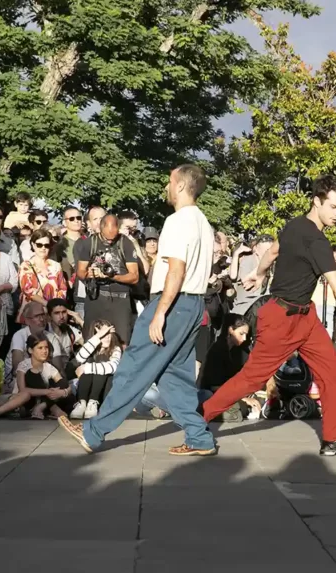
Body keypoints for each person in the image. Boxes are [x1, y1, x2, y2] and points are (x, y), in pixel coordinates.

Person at [201, 175, 336, 456]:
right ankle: (200, 418)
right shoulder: (316, 240)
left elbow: (272, 251)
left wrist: (259, 274)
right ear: (316, 201)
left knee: (335, 375)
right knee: (253, 380)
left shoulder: (293, 225)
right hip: (280, 319)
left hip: (306, 318)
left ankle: (334, 441)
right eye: (333, 207)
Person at [58, 164, 218, 456]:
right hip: (193, 304)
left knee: (133, 366)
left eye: (170, 182)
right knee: (174, 376)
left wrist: (160, 313)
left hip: (173, 302)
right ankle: (199, 437)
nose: (167, 187)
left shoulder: (178, 220)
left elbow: (176, 270)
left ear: (181, 185)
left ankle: (93, 433)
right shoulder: (203, 223)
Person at [73, 214, 140, 344]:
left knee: (122, 340)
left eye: (113, 237)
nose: (110, 240)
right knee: (92, 338)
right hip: (96, 298)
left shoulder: (125, 243)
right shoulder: (90, 243)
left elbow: (134, 277)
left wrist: (113, 276)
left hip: (120, 298)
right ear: (101, 228)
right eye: (106, 237)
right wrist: (91, 273)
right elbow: (80, 272)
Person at [69, 321, 122, 419]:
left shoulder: (115, 349)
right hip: (86, 390)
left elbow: (113, 367)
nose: (107, 337)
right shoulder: (90, 349)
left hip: (103, 391)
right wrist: (97, 337)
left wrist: (86, 367)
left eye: (108, 334)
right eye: (103, 335)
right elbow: (79, 358)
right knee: (90, 368)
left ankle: (93, 403)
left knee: (99, 368)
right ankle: (82, 403)